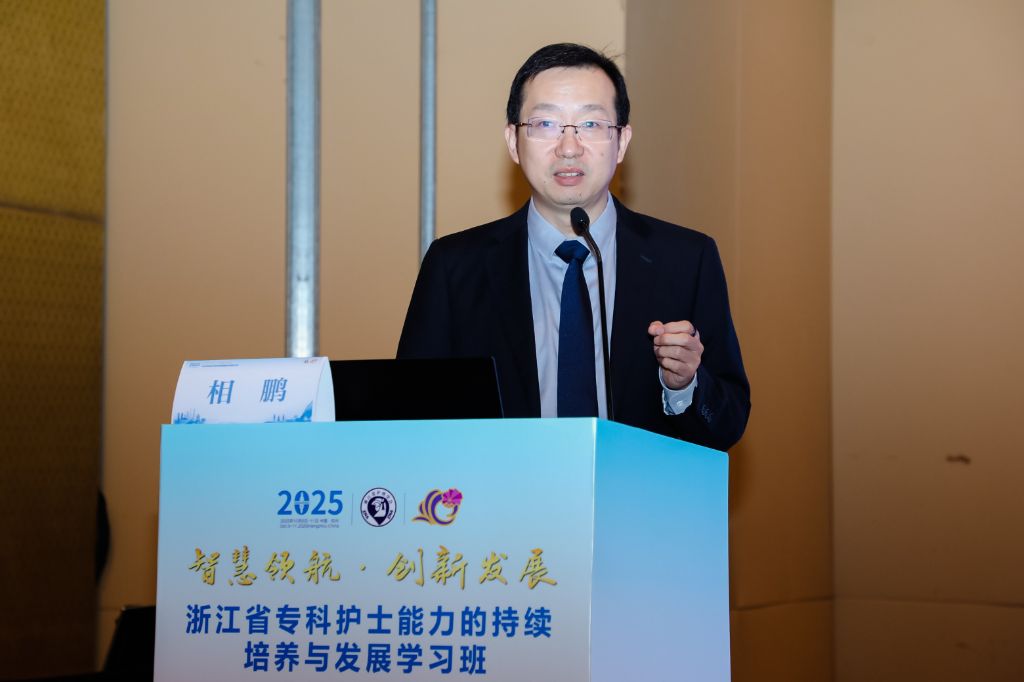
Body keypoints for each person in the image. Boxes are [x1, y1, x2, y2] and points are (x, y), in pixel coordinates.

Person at [398, 43, 749, 451]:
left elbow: (728, 423)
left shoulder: (687, 260)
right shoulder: (454, 267)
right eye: (545, 124)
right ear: (513, 141)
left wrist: (685, 384)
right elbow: (409, 420)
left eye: (591, 124)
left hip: (637, 490)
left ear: (622, 142)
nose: (568, 147)